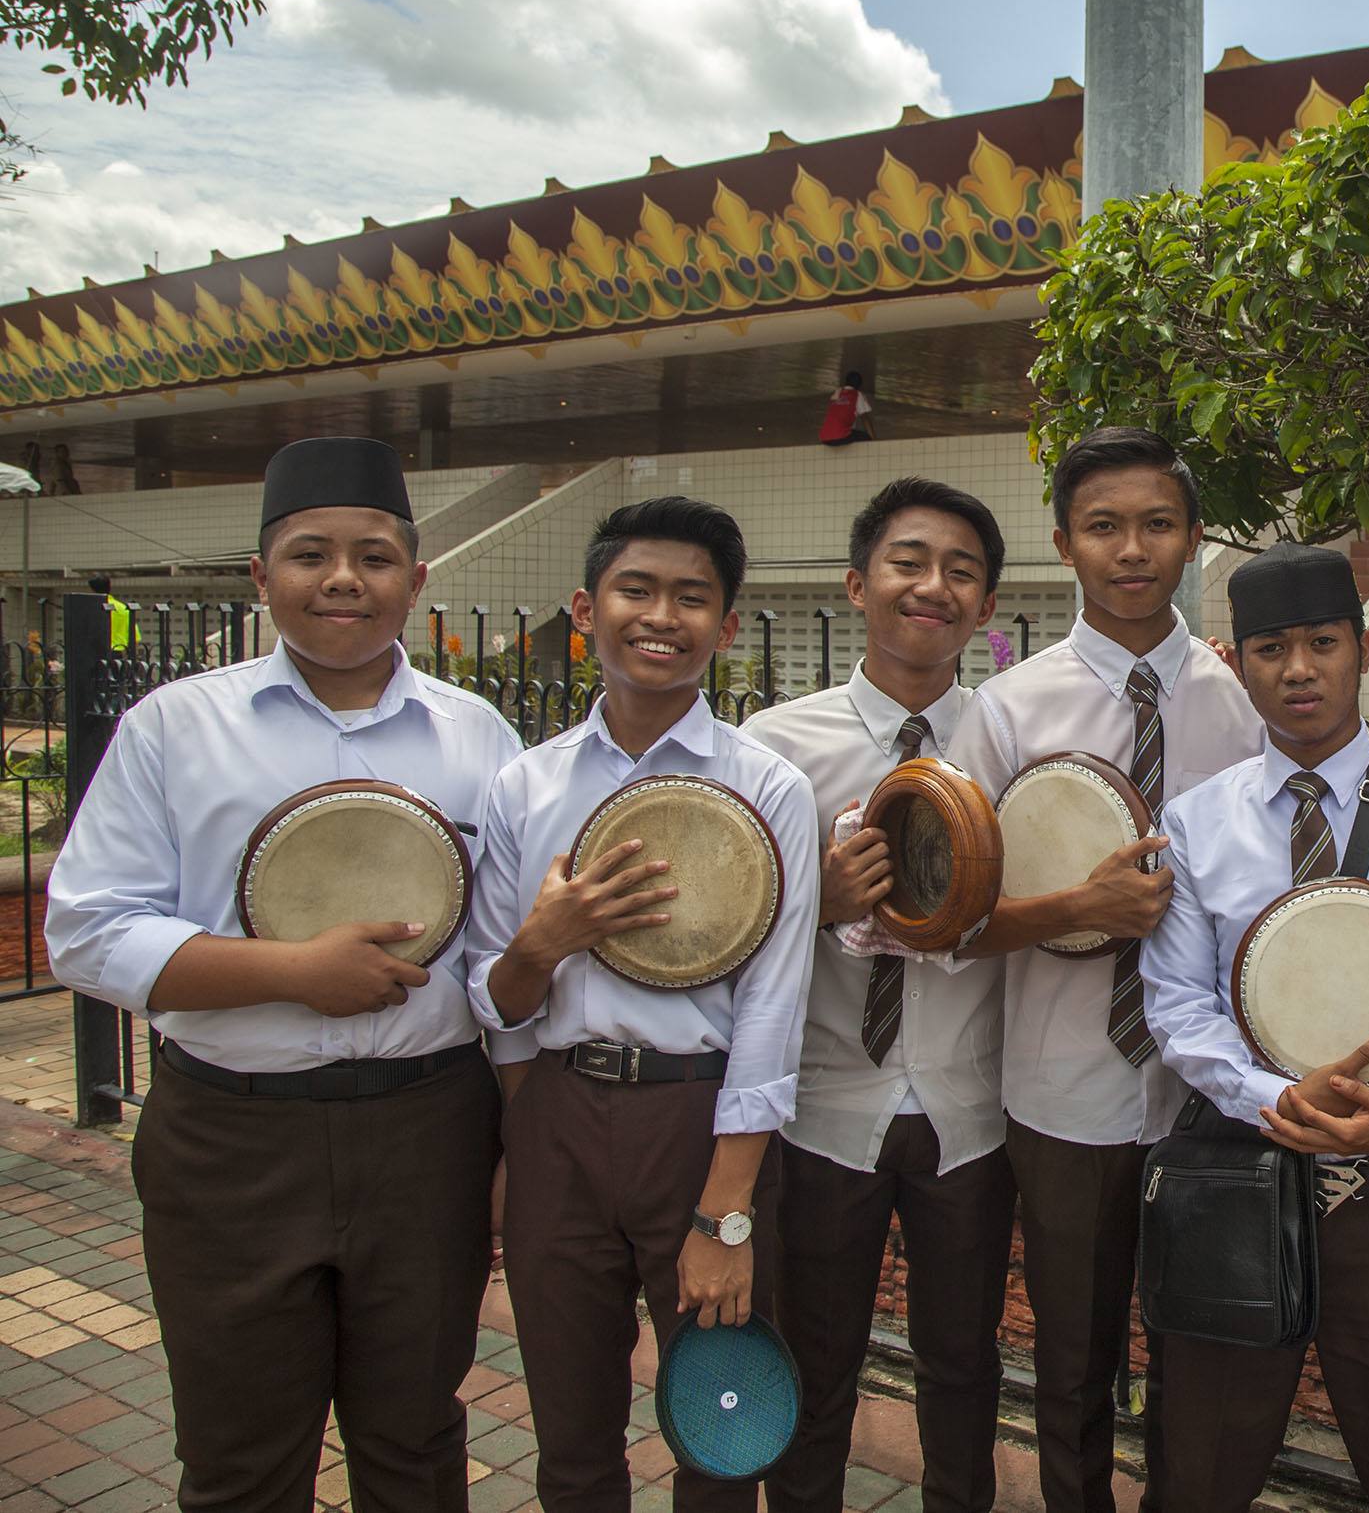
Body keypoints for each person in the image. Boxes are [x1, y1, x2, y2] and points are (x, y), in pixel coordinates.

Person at [45, 436, 525, 1513]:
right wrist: (288, 970)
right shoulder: (176, 728)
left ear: (416, 576)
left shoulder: (477, 737)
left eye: (374, 555)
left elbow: (505, 947)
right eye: (310, 554)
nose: (343, 577)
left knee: (415, 1440)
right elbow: (83, 927)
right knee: (242, 1457)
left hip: (429, 1130)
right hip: (231, 1140)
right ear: (262, 577)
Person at [1140, 543, 1369, 1512]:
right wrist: (1273, 1095)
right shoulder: (1196, 822)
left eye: (1320, 642)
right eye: (1269, 647)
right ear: (1237, 659)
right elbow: (1176, 1002)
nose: (1297, 668)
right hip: (1235, 1179)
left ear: (1362, 645)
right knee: (1199, 1469)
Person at [469, 496, 817, 1513]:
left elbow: (773, 1000)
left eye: (692, 596)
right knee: (571, 1436)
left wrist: (727, 1211)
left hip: (701, 1125)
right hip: (558, 1116)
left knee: (721, 1429)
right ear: (586, 605)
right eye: (637, 587)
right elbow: (493, 993)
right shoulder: (525, 788)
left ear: (728, 624)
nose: (661, 614)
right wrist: (545, 944)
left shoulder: (768, 787)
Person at [950, 426, 1263, 1512]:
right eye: (1104, 526)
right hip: (1064, 1086)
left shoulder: (1245, 705)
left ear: (1192, 539)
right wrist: (1074, 908)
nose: (1132, 548)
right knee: (1073, 1360)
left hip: (1214, 1095)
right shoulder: (1008, 710)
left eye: (1157, 523)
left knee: (1200, 1354)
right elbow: (947, 919)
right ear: (1065, 543)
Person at [742, 479, 1017, 1513]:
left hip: (968, 1106)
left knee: (962, 1363)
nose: (932, 585)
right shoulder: (774, 746)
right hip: (823, 1102)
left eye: (961, 570)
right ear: (859, 583)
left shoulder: (1009, 739)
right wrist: (816, 898)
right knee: (812, 1363)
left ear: (985, 606)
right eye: (908, 561)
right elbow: (736, 930)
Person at [819, 370, 874, 446]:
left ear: (846, 382)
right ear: (859, 385)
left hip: (824, 438)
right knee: (865, 437)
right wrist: (873, 440)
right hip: (839, 437)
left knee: (850, 431)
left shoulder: (837, 392)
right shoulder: (857, 394)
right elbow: (865, 419)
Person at [88, 572, 131, 651]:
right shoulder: (123, 608)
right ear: (109, 587)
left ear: (92, 589)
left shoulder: (90, 609)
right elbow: (135, 637)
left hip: (96, 653)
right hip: (119, 654)